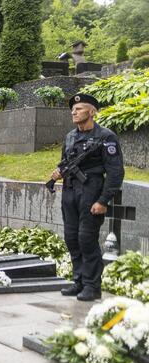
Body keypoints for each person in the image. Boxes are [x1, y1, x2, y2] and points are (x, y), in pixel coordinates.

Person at [53, 94, 125, 302]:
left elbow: (115, 172)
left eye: (80, 109)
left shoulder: (106, 137)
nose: (74, 112)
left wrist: (103, 201)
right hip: (69, 192)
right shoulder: (69, 137)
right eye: (73, 109)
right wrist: (58, 172)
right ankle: (79, 281)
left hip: (91, 191)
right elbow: (65, 162)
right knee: (72, 238)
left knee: (87, 239)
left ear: (92, 112)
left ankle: (93, 286)